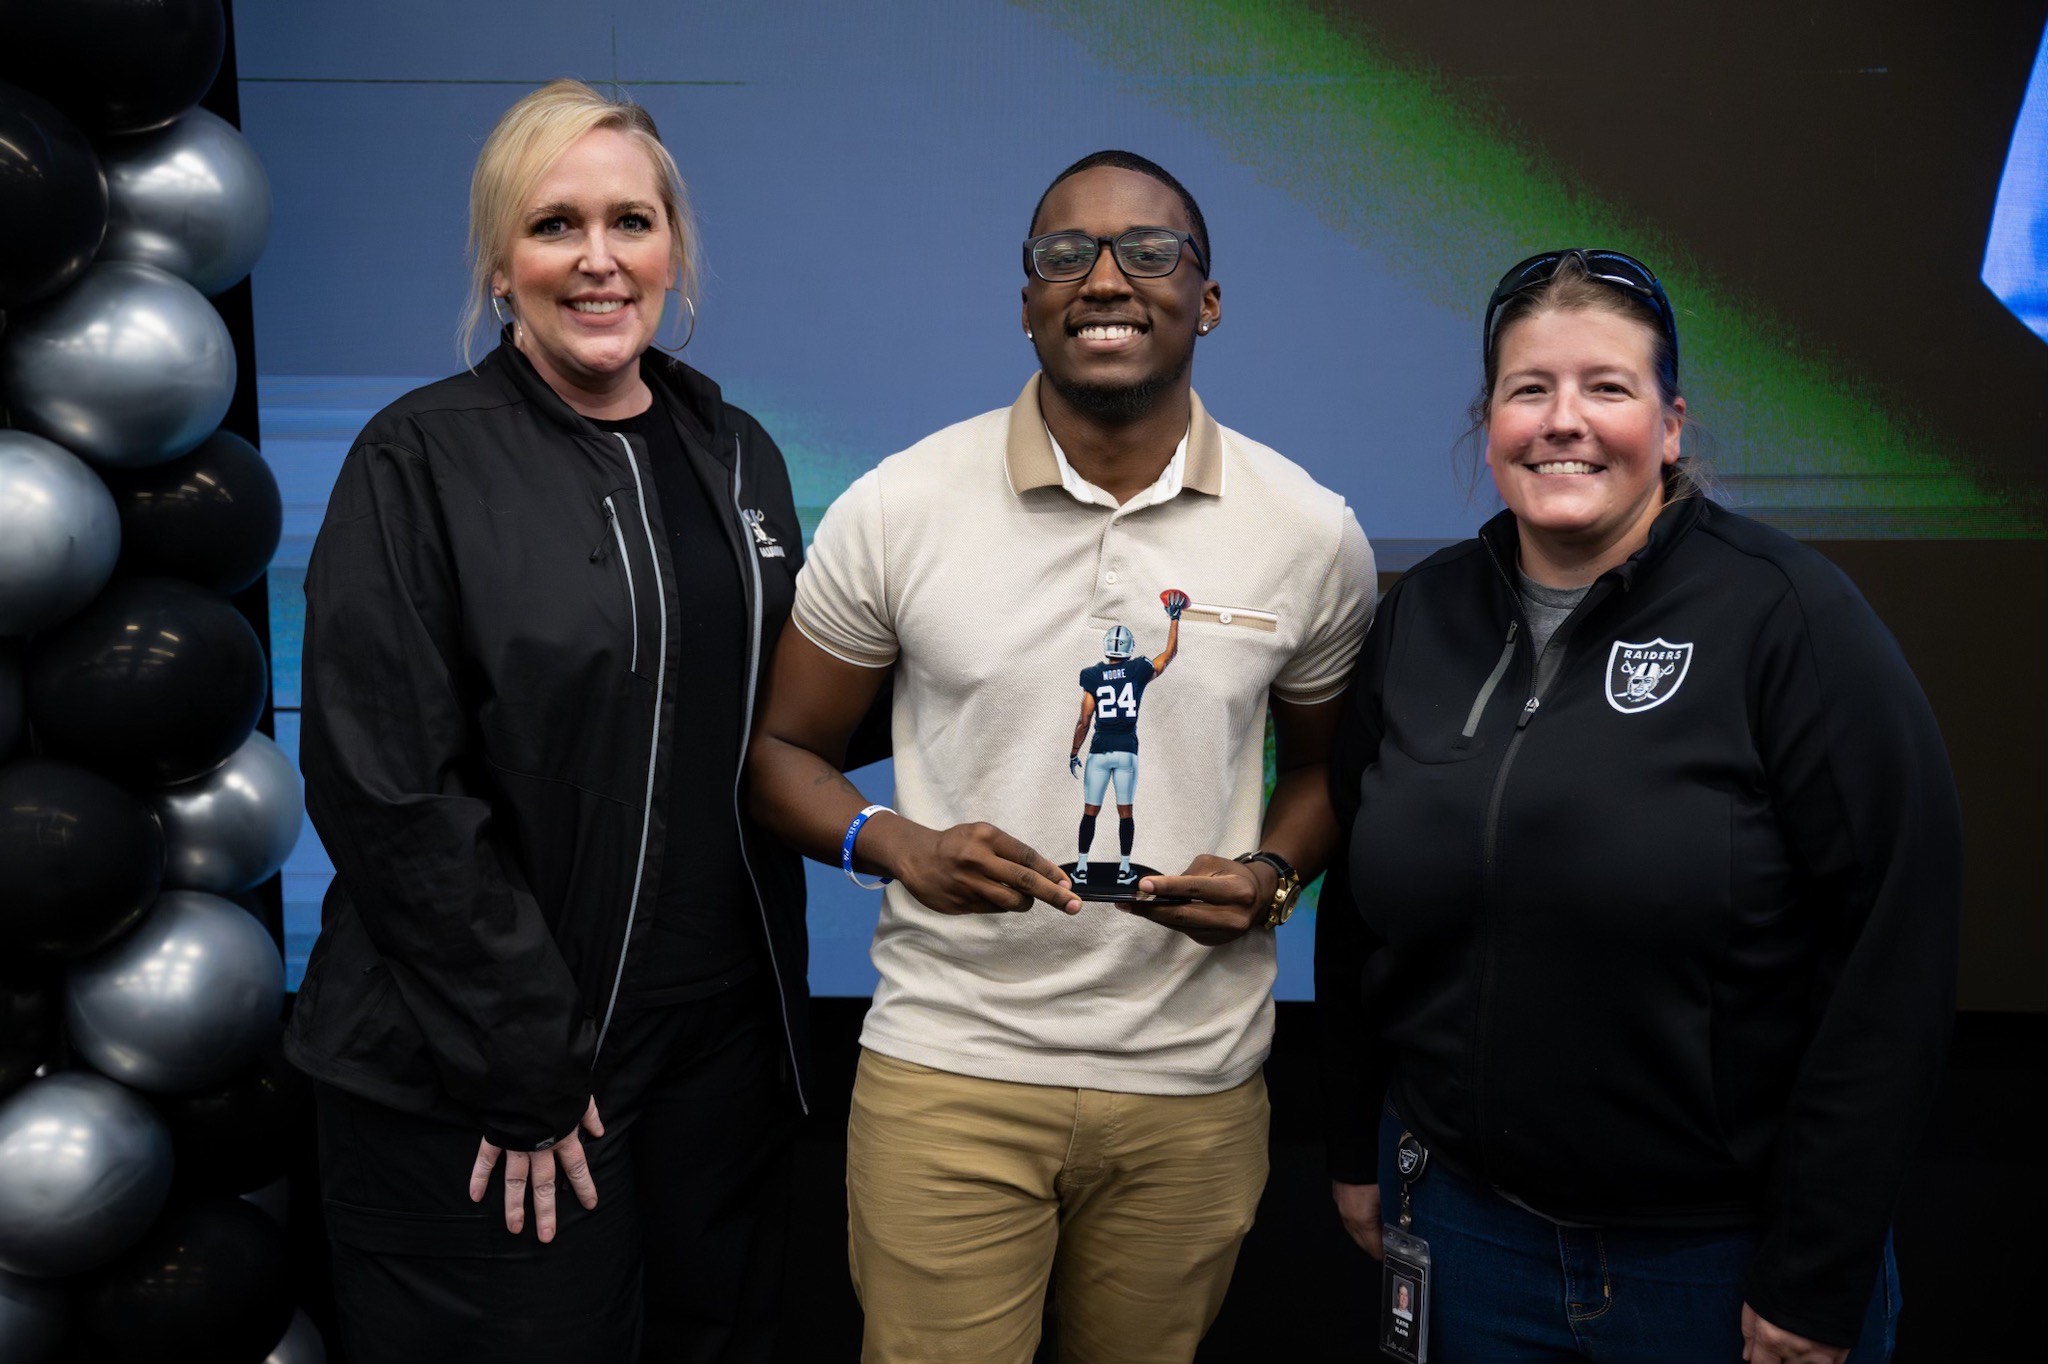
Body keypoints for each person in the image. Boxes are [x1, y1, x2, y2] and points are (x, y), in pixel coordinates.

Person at [745, 150, 1376, 1363]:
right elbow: (780, 750)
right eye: (1062, 254)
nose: (1103, 278)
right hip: (951, 1070)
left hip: (1192, 1089)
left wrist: (1270, 879)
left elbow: (1324, 775)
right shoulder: (900, 505)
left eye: (1149, 252)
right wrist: (896, 846)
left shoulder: (1308, 532)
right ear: (1024, 297)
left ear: (1207, 297)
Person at [1317, 249, 1962, 1364]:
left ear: (1669, 425)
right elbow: (1361, 906)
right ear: (1489, 424)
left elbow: (1891, 956)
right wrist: (1351, 1139)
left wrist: (1814, 1270)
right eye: (1529, 389)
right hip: (1467, 1232)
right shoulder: (1421, 616)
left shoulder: (1788, 617)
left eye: (1605, 388)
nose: (1562, 421)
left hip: (1715, 1260)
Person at [284, 79, 826, 1364]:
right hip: (488, 1075)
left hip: (716, 1061)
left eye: (630, 221)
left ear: (673, 248)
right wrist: (524, 1060)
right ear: (498, 260)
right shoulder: (417, 457)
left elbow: (773, 713)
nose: (597, 260)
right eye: (553, 225)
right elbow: (386, 788)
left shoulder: (737, 452)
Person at [1068, 589, 1185, 888]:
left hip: (1099, 749)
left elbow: (1084, 720)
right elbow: (1168, 655)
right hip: (1126, 751)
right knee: (1125, 812)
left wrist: (1073, 752)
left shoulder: (1092, 675)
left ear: (1106, 646)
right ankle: (1123, 869)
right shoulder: (1137, 669)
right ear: (1130, 648)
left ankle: (1081, 867)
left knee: (1090, 811)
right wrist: (1174, 620)